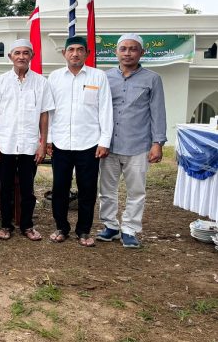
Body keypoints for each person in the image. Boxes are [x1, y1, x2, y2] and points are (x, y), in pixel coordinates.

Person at [97, 33, 167, 248]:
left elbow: (158, 112)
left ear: (142, 52)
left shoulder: (152, 79)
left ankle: (130, 229)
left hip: (137, 145)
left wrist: (158, 143)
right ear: (116, 52)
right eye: (123, 49)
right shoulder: (104, 77)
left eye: (133, 49)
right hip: (108, 145)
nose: (128, 53)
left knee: (136, 191)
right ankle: (110, 226)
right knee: (106, 190)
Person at [47, 35, 113, 247]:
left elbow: (105, 110)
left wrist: (104, 141)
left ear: (87, 53)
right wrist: (48, 139)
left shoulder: (98, 77)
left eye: (79, 50)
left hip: (89, 143)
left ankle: (84, 230)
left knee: (87, 189)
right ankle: (61, 227)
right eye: (71, 50)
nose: (75, 53)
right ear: (64, 53)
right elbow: (49, 111)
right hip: (60, 143)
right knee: (59, 188)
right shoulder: (55, 78)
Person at [0, 39, 54, 241]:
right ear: (10, 57)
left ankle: (27, 225)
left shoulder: (42, 82)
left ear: (31, 56)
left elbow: (44, 116)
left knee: (28, 189)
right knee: (5, 187)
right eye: (17, 53)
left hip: (29, 145)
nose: (21, 57)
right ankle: (6, 225)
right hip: (5, 144)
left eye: (26, 53)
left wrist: (42, 144)